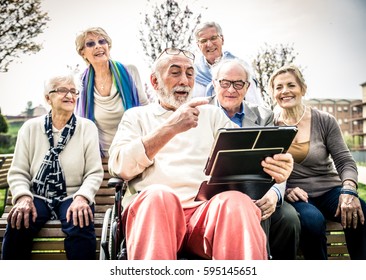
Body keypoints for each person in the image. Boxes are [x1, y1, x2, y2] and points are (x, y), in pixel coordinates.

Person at [108, 47, 294, 260]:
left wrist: (275, 168)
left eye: (189, 73)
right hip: (157, 215)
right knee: (159, 196)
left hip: (207, 215)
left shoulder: (212, 115)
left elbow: (247, 157)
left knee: (237, 202)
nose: (185, 80)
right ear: (155, 81)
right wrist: (170, 128)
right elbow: (119, 166)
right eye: (175, 72)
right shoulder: (137, 117)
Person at [1, 73, 104, 260]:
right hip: (37, 195)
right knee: (18, 222)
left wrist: (82, 198)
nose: (70, 96)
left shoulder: (87, 127)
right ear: (48, 98)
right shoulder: (30, 128)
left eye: (73, 91)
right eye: (62, 90)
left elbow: (94, 173)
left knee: (80, 222)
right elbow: (18, 171)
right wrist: (24, 197)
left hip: (73, 195)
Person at [269, 64, 366, 259]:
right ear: (273, 93)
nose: (285, 91)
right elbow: (264, 167)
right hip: (297, 195)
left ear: (302, 89)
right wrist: (285, 190)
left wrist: (348, 189)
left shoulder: (324, 120)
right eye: (279, 87)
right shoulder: (268, 123)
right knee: (311, 221)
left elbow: (345, 161)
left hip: (330, 190)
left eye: (291, 85)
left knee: (361, 212)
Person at [209, 58, 300, 259]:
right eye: (225, 83)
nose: (231, 89)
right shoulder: (200, 113)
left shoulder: (264, 116)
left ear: (247, 87)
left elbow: (278, 161)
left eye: (238, 83)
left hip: (259, 188)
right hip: (215, 194)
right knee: (251, 210)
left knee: (289, 219)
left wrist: (274, 194)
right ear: (215, 84)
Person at [75, 27, 149, 157]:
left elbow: (145, 109)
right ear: (82, 53)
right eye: (91, 44)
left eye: (102, 41)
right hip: (99, 156)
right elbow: (80, 122)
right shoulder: (80, 82)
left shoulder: (130, 71)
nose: (98, 46)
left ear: (108, 46)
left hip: (132, 152)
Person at [193, 21, 263, 106]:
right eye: (203, 41)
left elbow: (253, 103)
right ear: (198, 45)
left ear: (222, 39)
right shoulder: (192, 73)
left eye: (213, 38)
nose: (209, 44)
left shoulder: (241, 68)